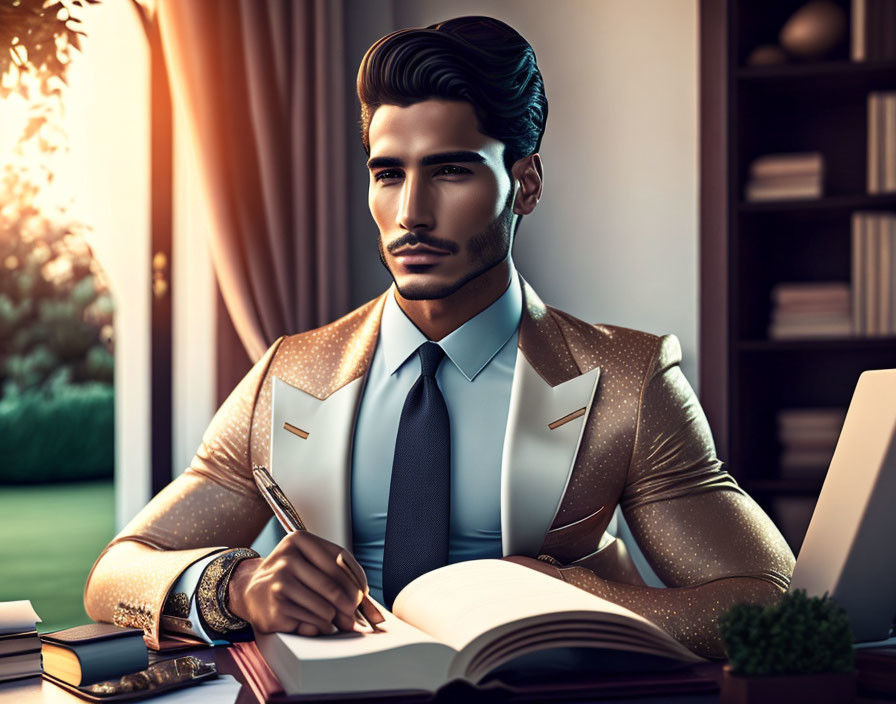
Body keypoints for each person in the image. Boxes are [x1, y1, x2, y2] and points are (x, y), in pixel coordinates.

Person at [84, 16, 794, 659]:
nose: (412, 213)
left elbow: (772, 602)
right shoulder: (290, 374)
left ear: (526, 184)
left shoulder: (626, 380)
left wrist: (569, 606)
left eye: (451, 170)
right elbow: (118, 573)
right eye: (388, 174)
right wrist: (235, 586)